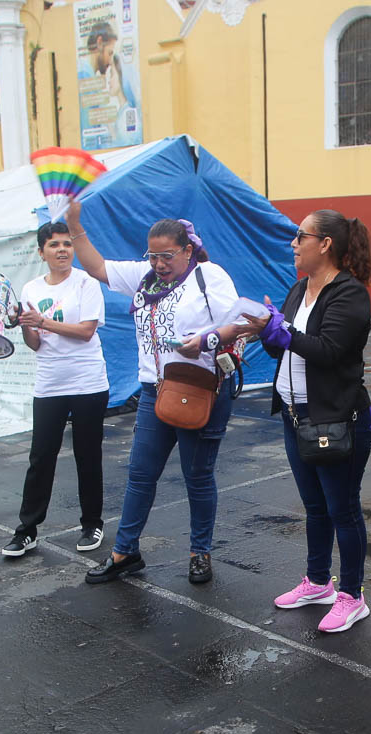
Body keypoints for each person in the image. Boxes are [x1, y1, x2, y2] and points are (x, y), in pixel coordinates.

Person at [62, 200, 245, 586]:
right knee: (140, 474)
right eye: (153, 255)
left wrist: (205, 340)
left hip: (200, 389)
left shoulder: (208, 276)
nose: (159, 263)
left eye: (167, 256)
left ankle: (200, 552)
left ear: (188, 250)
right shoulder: (144, 278)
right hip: (154, 390)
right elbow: (96, 267)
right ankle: (125, 552)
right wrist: (74, 224)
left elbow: (244, 323)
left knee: (197, 475)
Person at [249, 210, 371, 632]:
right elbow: (283, 350)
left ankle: (352, 595)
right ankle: (319, 581)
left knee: (343, 509)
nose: (293, 244)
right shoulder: (299, 287)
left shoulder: (350, 293)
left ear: (324, 244)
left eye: (300, 236)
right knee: (315, 506)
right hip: (295, 415)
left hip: (335, 418)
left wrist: (283, 332)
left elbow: (330, 350)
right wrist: (272, 333)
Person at [1, 220, 110, 558]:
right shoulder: (32, 289)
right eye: (54, 245)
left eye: (66, 243)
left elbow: (86, 331)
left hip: (88, 382)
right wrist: (24, 325)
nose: (62, 250)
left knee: (87, 456)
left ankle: (92, 523)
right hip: (50, 383)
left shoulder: (86, 283)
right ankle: (27, 530)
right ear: (41, 252)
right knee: (40, 457)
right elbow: (35, 343)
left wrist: (43, 321)